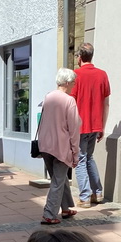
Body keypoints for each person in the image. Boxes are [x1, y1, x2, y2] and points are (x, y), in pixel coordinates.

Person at [37, 68, 80, 225]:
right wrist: (75, 152)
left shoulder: (48, 97)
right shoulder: (69, 101)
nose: (74, 85)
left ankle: (66, 208)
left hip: (45, 145)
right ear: (68, 83)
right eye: (74, 82)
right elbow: (74, 129)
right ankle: (49, 214)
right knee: (58, 180)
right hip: (61, 147)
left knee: (58, 178)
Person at [71, 42, 110, 207]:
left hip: (79, 125)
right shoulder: (102, 75)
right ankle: (97, 193)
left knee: (80, 159)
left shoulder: (75, 75)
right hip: (95, 124)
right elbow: (106, 103)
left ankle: (85, 196)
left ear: (79, 57)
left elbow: (71, 102)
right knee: (89, 158)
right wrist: (103, 126)